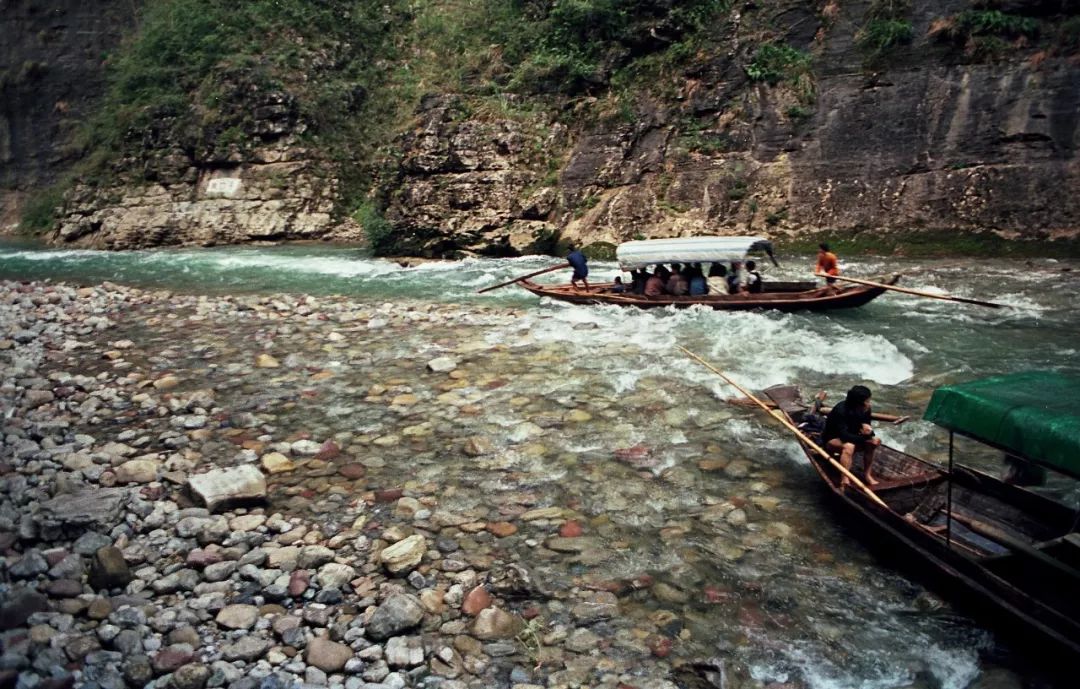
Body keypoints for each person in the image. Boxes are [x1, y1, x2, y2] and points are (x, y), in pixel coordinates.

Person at [823, 385, 881, 487]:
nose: (869, 403)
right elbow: (844, 436)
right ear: (858, 402)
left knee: (873, 442)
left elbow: (867, 428)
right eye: (867, 401)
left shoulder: (866, 409)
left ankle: (867, 475)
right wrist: (866, 438)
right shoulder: (841, 410)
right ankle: (844, 479)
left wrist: (870, 434)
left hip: (853, 437)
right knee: (849, 446)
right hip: (832, 440)